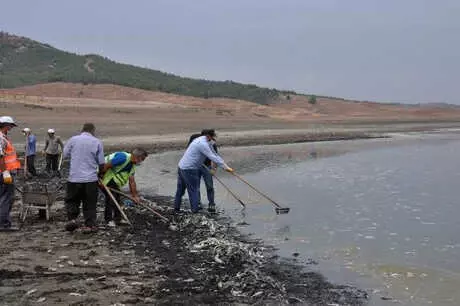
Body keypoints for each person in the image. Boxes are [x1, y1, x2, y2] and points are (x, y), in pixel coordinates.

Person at [175, 129, 233, 213]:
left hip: (182, 166)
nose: (213, 140)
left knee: (182, 190)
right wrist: (225, 167)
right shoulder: (202, 143)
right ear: (208, 136)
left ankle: (176, 210)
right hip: (190, 169)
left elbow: (215, 154)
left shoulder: (201, 140)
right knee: (194, 190)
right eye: (212, 138)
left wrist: (217, 168)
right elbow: (213, 157)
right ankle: (195, 212)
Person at [63, 123, 105, 233]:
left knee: (72, 200)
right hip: (90, 179)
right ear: (93, 131)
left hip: (74, 178)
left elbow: (65, 154)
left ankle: (72, 220)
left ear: (82, 130)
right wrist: (100, 174)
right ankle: (90, 225)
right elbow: (101, 162)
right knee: (89, 203)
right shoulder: (97, 142)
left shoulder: (73, 140)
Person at [101, 148, 148, 227]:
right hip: (106, 178)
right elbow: (107, 165)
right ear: (137, 157)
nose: (142, 161)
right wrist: (101, 177)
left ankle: (118, 219)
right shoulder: (123, 157)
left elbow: (132, 181)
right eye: (142, 159)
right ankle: (108, 220)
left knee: (117, 198)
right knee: (111, 199)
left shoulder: (132, 166)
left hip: (113, 181)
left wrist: (135, 196)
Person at [187, 130, 218, 212]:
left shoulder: (212, 143)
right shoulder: (194, 139)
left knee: (209, 186)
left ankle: (211, 204)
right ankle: (197, 203)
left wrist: (213, 169)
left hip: (207, 167)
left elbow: (215, 157)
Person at [0, 116, 21, 231]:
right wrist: (5, 172)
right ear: (5, 125)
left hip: (4, 172)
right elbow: (0, 157)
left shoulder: (3, 137)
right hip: (4, 174)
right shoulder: (0, 138)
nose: (11, 128)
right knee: (6, 198)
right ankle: (4, 224)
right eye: (10, 126)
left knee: (3, 197)